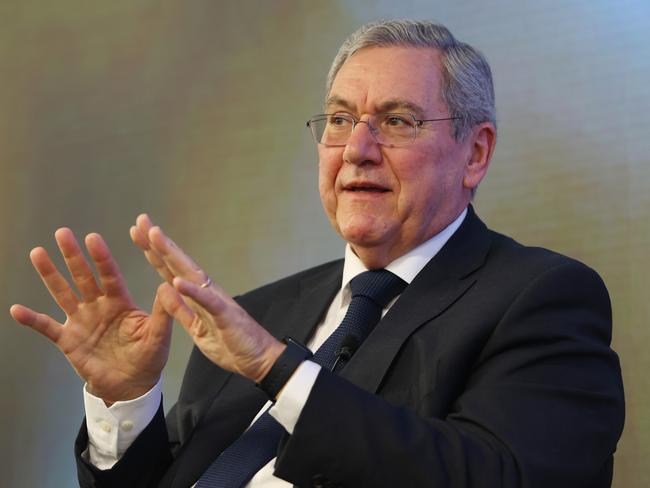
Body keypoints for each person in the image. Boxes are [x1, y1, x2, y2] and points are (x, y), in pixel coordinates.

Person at [10, 20, 624, 488]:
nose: (357, 148)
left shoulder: (539, 298)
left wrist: (280, 371)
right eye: (338, 119)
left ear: (475, 154)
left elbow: (496, 476)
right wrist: (126, 401)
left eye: (398, 121)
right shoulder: (259, 313)